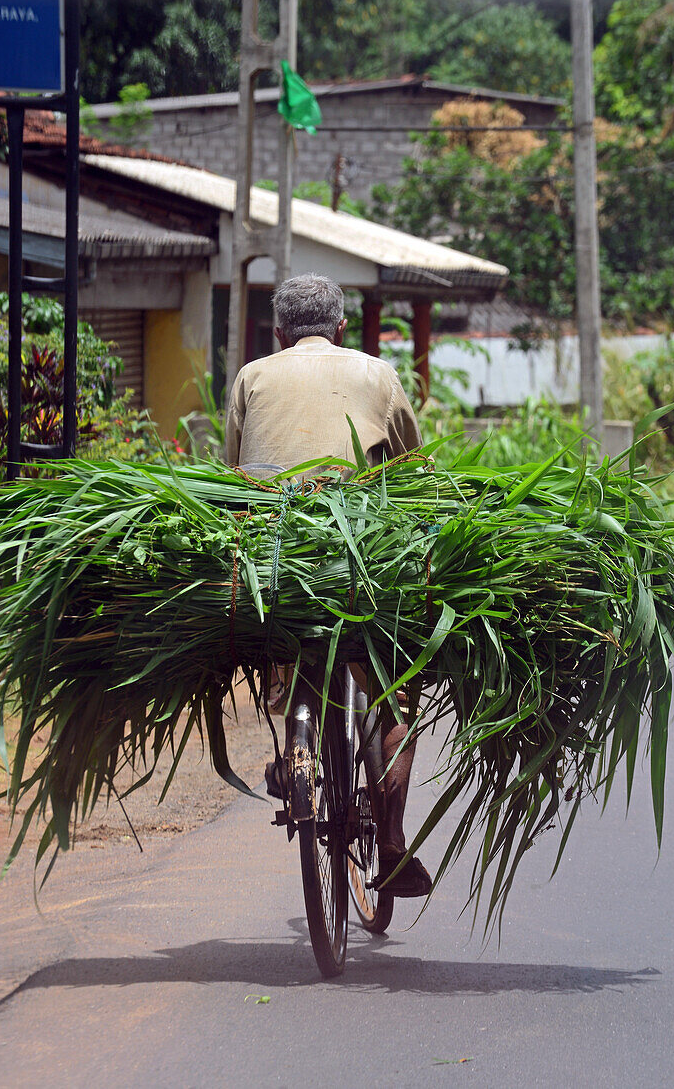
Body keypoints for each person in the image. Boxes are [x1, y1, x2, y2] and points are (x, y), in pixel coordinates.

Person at [225, 273, 432, 898]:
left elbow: (232, 477)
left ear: (280, 333)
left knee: (283, 656)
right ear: (341, 329)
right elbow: (413, 471)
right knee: (397, 701)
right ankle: (391, 842)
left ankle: (296, 749)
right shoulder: (378, 374)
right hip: (361, 565)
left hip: (276, 566)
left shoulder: (252, 377)